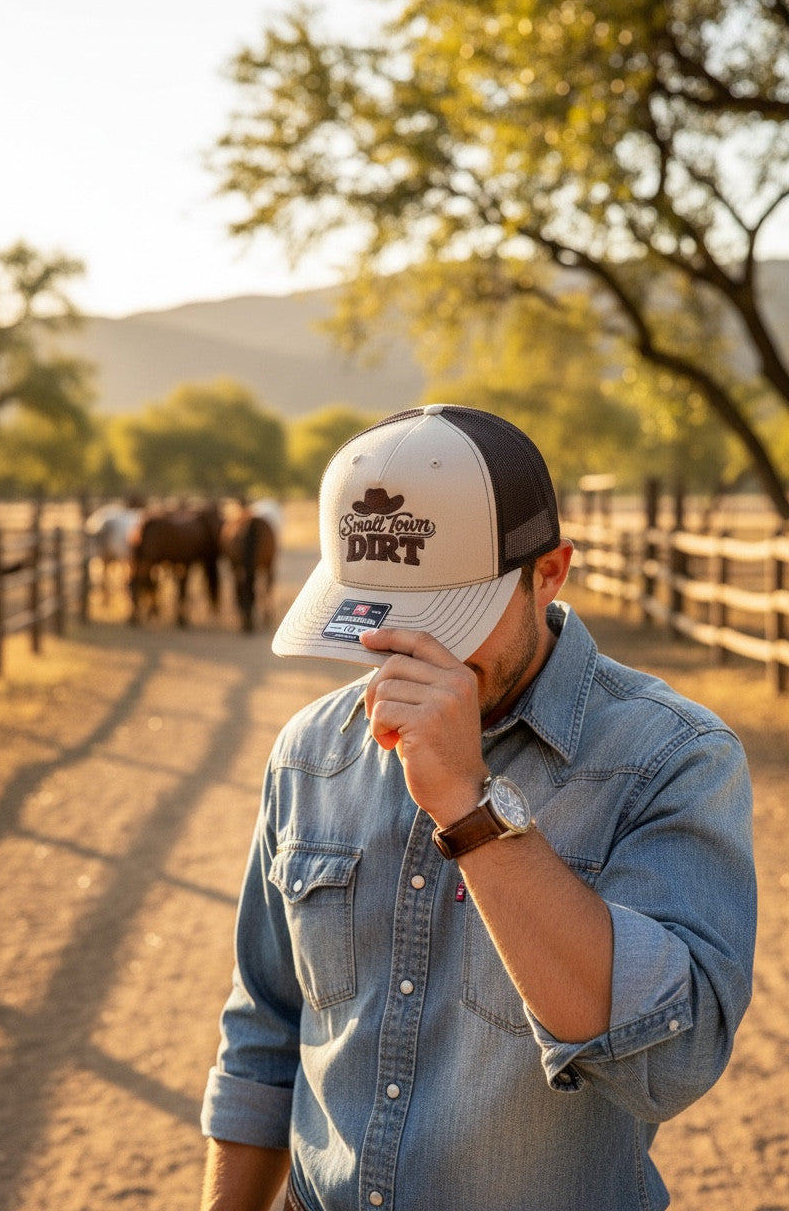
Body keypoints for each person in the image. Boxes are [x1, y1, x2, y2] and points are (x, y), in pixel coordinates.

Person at [199, 404, 756, 1211]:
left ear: (551, 573)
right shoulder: (311, 751)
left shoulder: (674, 758)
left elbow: (673, 1065)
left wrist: (470, 808)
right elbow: (265, 1033)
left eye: (445, 616)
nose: (411, 652)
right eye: (384, 616)